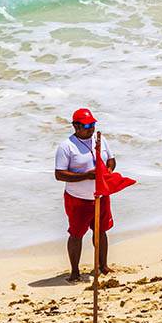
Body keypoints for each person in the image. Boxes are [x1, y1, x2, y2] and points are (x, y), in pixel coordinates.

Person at [54, 108, 116, 282]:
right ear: (76, 126)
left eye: (93, 124)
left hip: (100, 195)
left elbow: (111, 160)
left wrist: (108, 170)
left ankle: (103, 266)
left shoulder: (100, 139)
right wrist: (86, 176)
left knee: (101, 231)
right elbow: (59, 174)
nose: (91, 129)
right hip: (78, 199)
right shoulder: (67, 146)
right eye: (87, 126)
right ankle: (75, 272)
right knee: (76, 234)